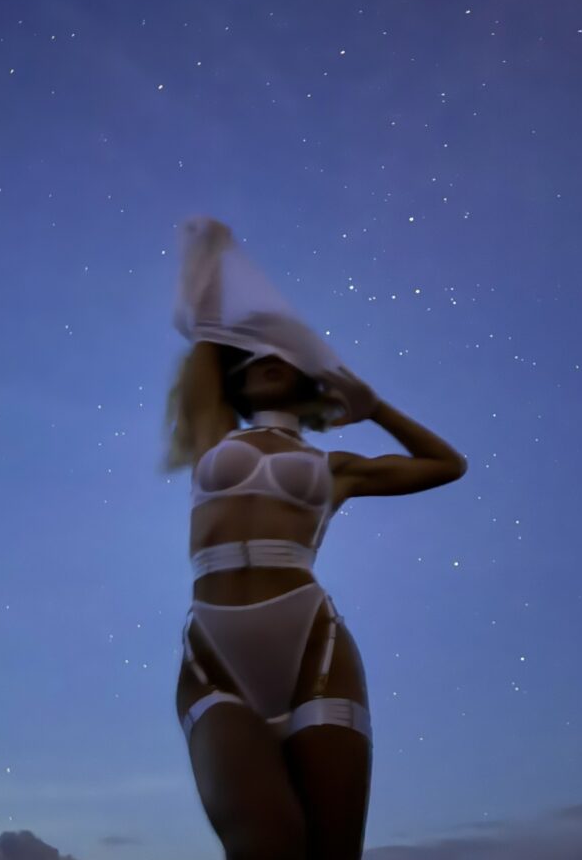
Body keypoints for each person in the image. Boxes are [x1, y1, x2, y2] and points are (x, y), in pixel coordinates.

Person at [162, 218, 468, 860]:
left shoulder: (337, 468)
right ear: (238, 378)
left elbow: (447, 465)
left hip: (313, 644)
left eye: (286, 357)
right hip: (214, 649)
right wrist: (213, 259)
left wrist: (373, 406)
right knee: (268, 842)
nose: (270, 360)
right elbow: (206, 335)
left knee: (331, 852)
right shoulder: (214, 434)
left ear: (309, 382)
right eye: (257, 356)